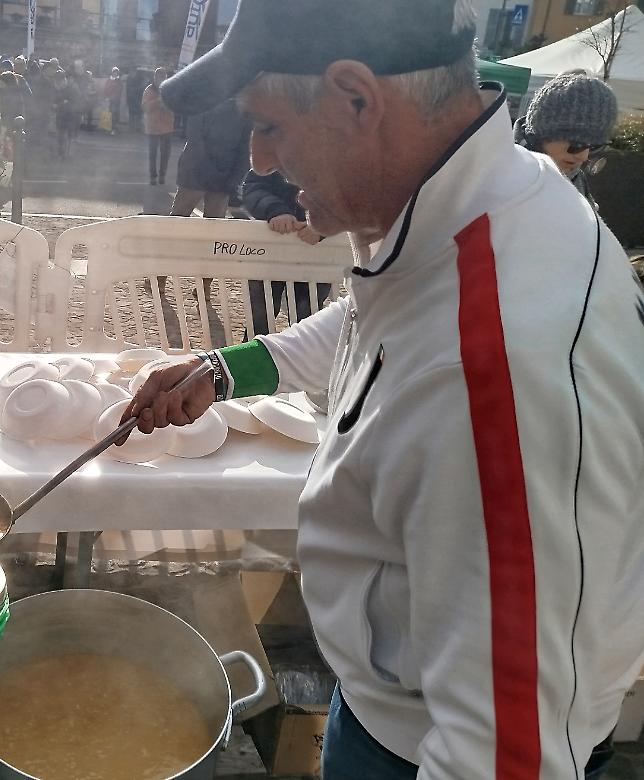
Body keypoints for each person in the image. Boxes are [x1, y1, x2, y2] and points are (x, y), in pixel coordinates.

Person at [125, 0, 644, 777]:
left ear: (355, 98)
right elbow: (385, 316)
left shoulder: (492, 371)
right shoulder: (509, 197)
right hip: (393, 698)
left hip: (419, 748)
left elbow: (508, 757)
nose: (259, 161)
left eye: (269, 124)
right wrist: (228, 369)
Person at [240, 170, 329, 334]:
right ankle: (255, 349)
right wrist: (275, 209)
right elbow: (254, 186)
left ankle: (301, 350)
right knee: (260, 316)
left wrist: (323, 222)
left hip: (317, 255)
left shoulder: (340, 159)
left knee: (306, 315)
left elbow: (351, 197)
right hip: (270, 249)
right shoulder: (278, 157)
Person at [514, 70, 618, 206]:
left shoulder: (577, 178)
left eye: (594, 146)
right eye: (577, 143)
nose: (583, 156)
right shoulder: (503, 176)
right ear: (541, 132)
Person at [170, 98, 251, 219]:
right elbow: (195, 139)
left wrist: (234, 180)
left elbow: (244, 152)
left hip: (220, 179)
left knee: (213, 225)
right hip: (197, 175)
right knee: (179, 219)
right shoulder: (204, 104)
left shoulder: (243, 112)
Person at [142, 67, 173, 185]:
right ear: (154, 77)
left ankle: (162, 175)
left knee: (165, 154)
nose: (161, 79)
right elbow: (145, 107)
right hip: (152, 127)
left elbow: (174, 106)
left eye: (163, 77)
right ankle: (153, 176)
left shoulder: (169, 90)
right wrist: (158, 101)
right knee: (152, 153)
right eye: (159, 77)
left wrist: (168, 106)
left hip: (167, 126)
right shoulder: (149, 90)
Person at [53, 69, 80, 159]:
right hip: (60, 116)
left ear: (64, 79)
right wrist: (57, 104)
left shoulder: (72, 88)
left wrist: (62, 104)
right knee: (60, 136)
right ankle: (61, 154)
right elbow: (54, 99)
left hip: (70, 116)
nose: (58, 83)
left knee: (68, 136)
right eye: (57, 81)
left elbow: (75, 102)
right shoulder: (57, 88)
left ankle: (67, 155)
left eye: (59, 81)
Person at [104, 66, 123, 133]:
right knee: (108, 114)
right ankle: (108, 128)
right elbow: (106, 89)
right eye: (114, 72)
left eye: (116, 72)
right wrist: (107, 97)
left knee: (115, 114)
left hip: (116, 100)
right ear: (112, 73)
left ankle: (113, 128)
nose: (115, 73)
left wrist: (115, 96)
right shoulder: (109, 80)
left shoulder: (119, 81)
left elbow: (120, 89)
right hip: (109, 100)